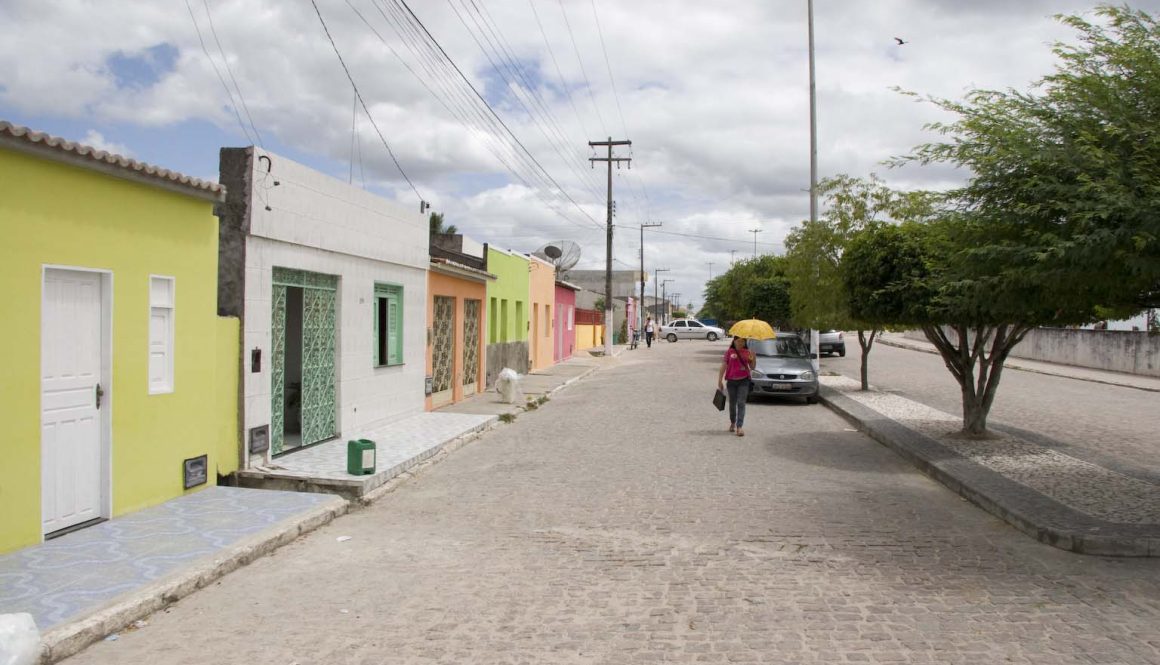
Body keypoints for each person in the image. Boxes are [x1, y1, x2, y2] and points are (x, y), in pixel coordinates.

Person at [717, 336, 756, 437]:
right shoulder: (729, 352)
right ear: (734, 341)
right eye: (738, 341)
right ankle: (733, 422)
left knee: (741, 403)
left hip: (744, 381)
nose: (740, 343)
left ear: (745, 342)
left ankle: (739, 427)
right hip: (731, 382)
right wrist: (720, 380)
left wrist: (754, 358)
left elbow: (752, 367)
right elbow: (723, 366)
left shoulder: (748, 352)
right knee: (732, 404)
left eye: (742, 341)